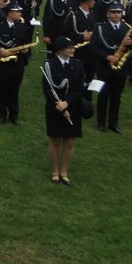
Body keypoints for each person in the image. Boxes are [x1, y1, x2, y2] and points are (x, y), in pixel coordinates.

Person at [41, 37, 88, 186]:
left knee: (69, 143)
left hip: (73, 107)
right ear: (60, 49)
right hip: (54, 108)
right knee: (55, 141)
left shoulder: (78, 65)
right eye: (69, 47)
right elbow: (47, 89)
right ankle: (55, 172)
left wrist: (67, 103)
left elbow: (81, 88)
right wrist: (60, 107)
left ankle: (64, 172)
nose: (73, 50)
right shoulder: (49, 64)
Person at [92, 1, 132, 134]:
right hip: (104, 67)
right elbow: (93, 46)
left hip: (121, 68)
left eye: (118, 12)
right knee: (103, 96)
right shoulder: (100, 27)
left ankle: (113, 123)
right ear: (108, 14)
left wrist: (131, 43)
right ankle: (101, 122)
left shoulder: (126, 28)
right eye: (113, 12)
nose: (116, 15)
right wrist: (106, 56)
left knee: (116, 97)